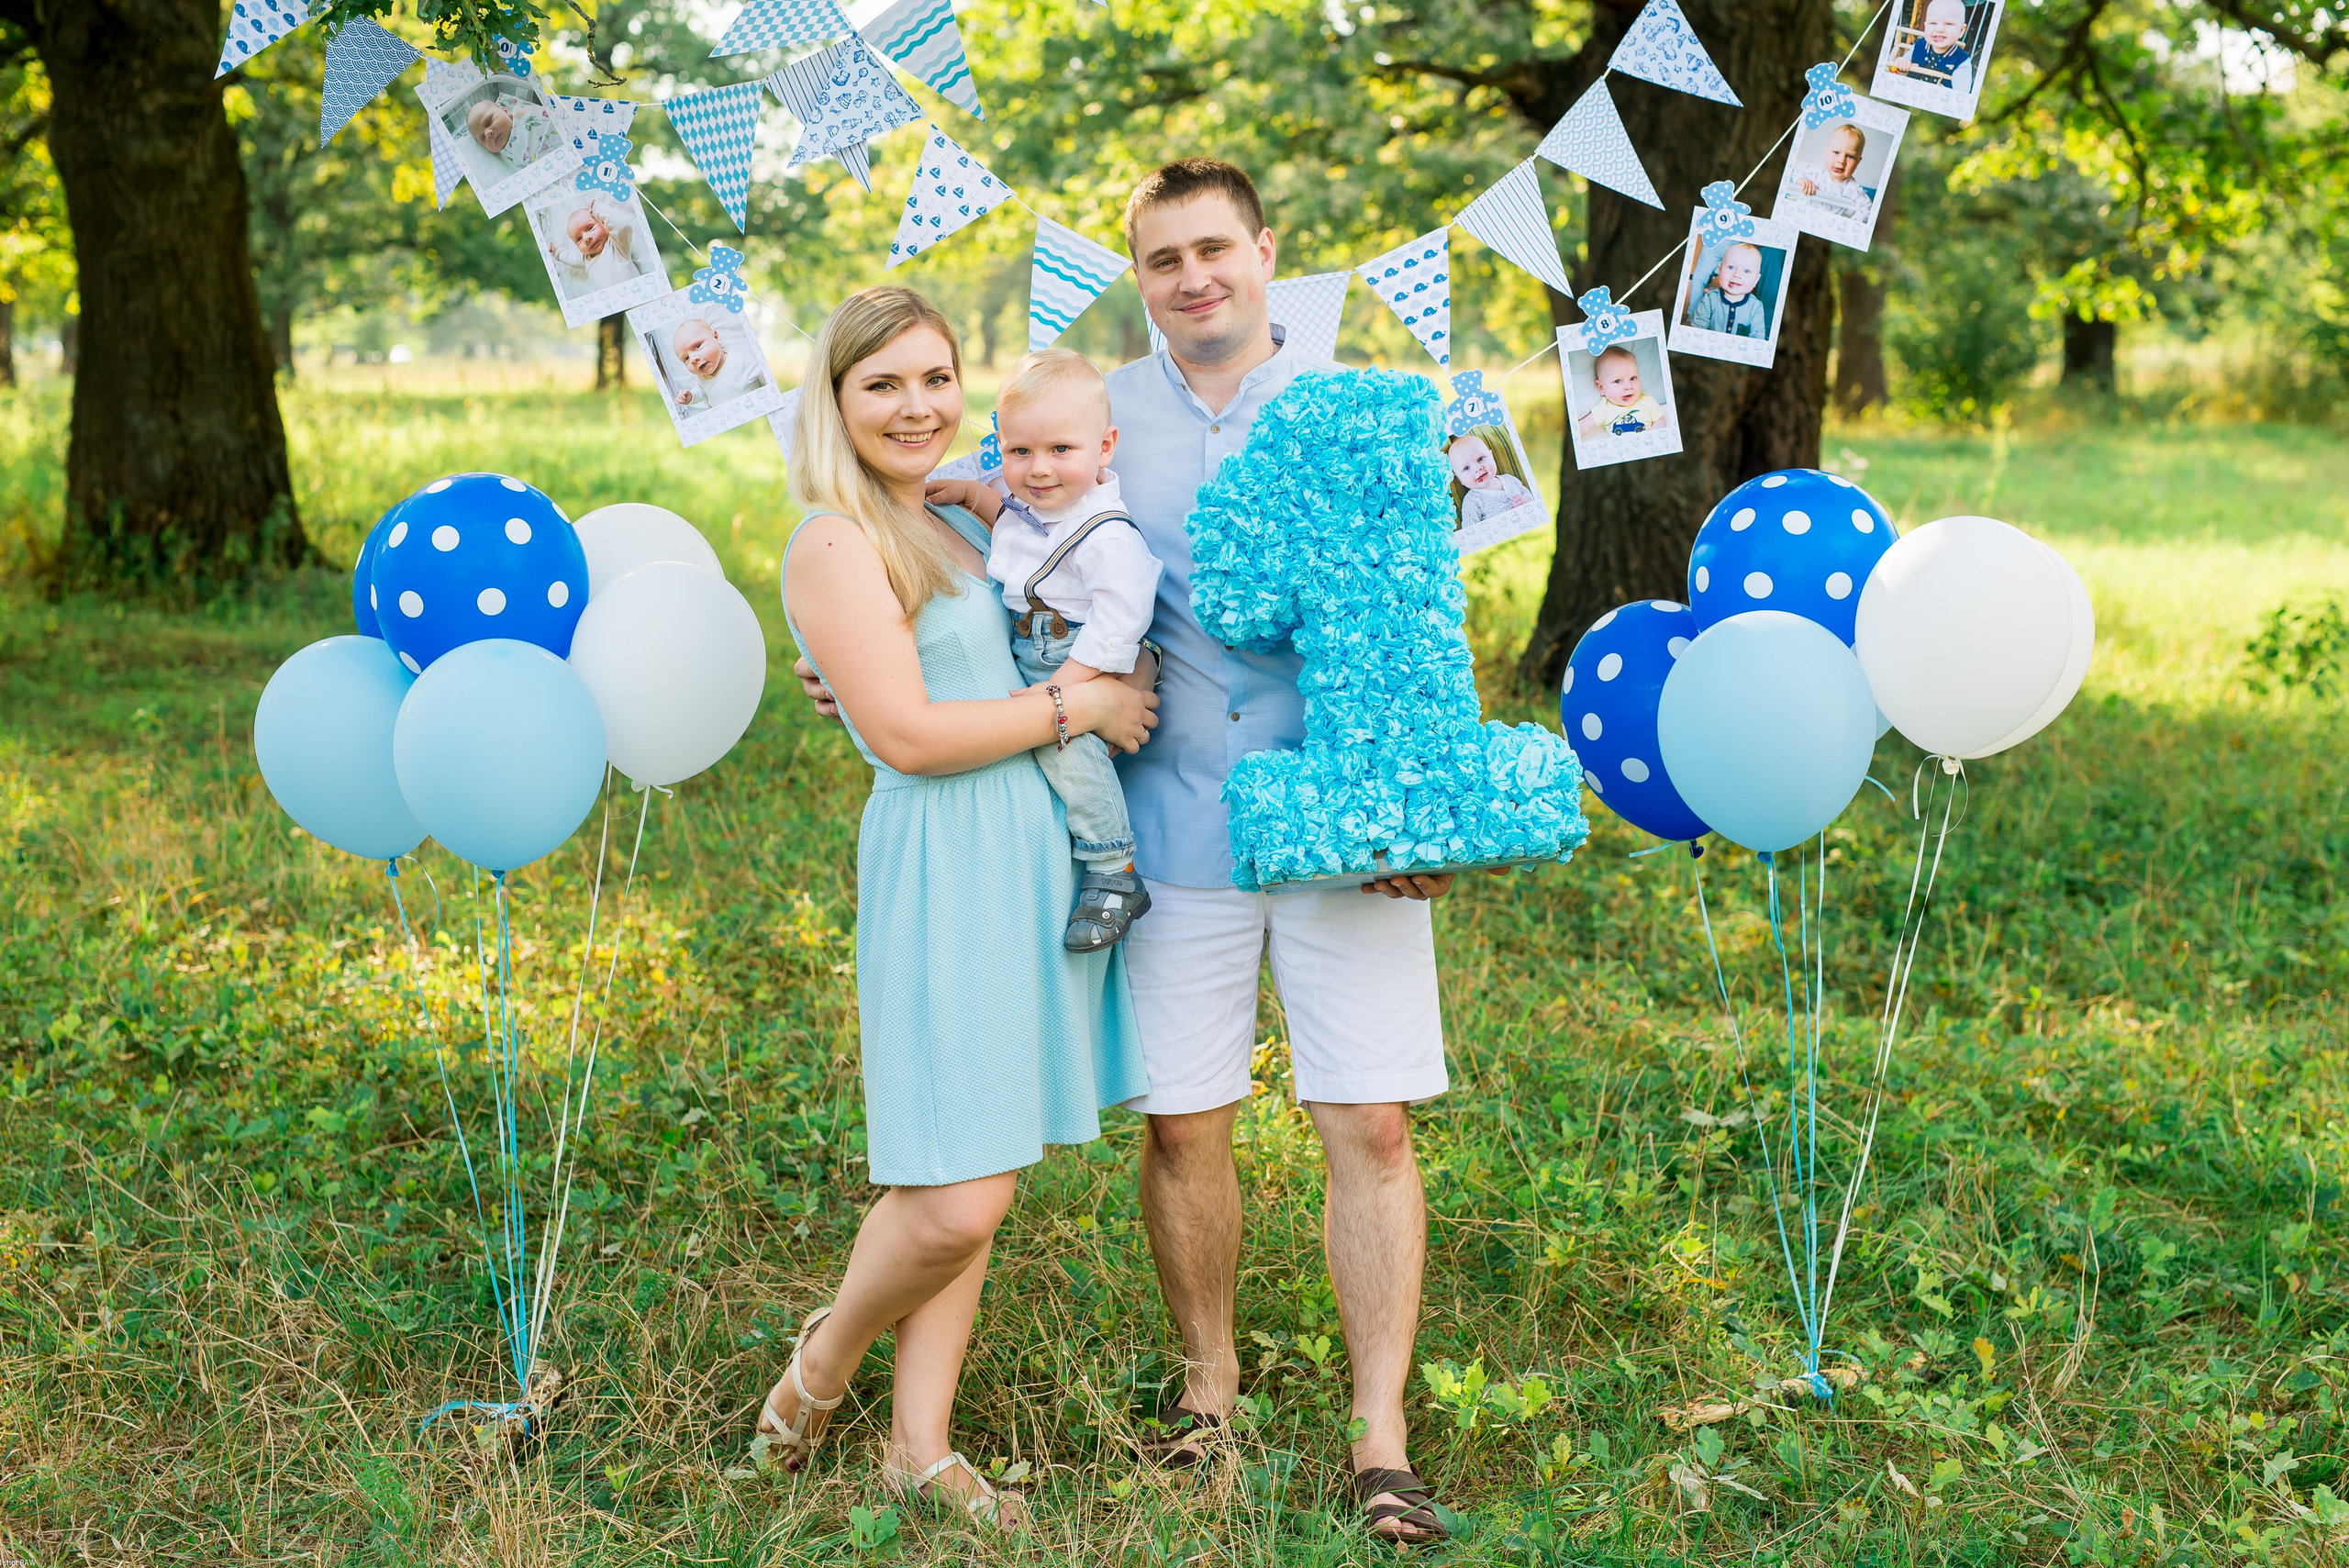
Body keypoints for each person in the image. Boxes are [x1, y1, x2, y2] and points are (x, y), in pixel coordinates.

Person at [807, 158, 1465, 1545]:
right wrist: (840, 672)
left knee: (1373, 1121)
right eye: (1163, 258)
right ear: (1141, 276)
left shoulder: (1352, 411)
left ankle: (1382, 1437)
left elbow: (1416, 613)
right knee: (1183, 1124)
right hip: (1165, 824)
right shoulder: (1092, 419)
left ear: (1267, 253)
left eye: (1214, 248)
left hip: (1343, 817)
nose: (1192, 278)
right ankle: (1207, 1395)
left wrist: (1426, 807)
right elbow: (946, 553)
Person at [760, 285, 1158, 1532]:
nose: (917, 405)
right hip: (945, 857)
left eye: (937, 379)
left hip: (1026, 850)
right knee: (955, 1190)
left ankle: (918, 1446)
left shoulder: (958, 516)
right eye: (884, 384)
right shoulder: (835, 537)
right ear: (835, 401)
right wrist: (1074, 713)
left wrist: (1108, 679)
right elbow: (912, 734)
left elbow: (1048, 628)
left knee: (981, 1153)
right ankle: (818, 1370)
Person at [926, 349, 1165, 952]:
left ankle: (1114, 868)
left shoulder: (1107, 533)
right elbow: (1012, 526)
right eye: (1019, 452)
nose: (1037, 470)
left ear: (1105, 447)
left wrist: (1070, 687)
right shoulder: (1038, 509)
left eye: (1061, 450)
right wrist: (969, 495)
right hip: (1037, 646)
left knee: (1067, 750)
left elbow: (1121, 622)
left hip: (1082, 654)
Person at [1445, 428, 1537, 530]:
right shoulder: (1472, 501)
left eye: (1480, 459)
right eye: (1466, 468)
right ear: (1459, 479)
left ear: (1491, 455)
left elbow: (1527, 493)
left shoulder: (1510, 479)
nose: (1477, 469)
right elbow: (1470, 531)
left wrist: (1526, 500)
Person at [1575, 343, 1672, 440]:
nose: (1628, 386)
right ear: (1601, 388)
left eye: (1633, 378)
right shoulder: (1604, 409)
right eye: (1617, 381)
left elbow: (1660, 419)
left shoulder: (1646, 400)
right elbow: (1582, 427)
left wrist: (1653, 433)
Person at [547, 199, 642, 295]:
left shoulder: (616, 244)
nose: (586, 238)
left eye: (590, 228)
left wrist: (598, 208)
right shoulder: (586, 259)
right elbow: (570, 258)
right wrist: (557, 253)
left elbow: (623, 226)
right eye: (579, 239)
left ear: (604, 223)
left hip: (635, 294)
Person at [669, 317, 767, 410]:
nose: (693, 359)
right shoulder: (702, 378)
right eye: (686, 358)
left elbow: (765, 376)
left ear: (716, 337)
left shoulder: (741, 362)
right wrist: (690, 396)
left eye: (698, 346)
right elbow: (701, 392)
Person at [462, 90, 560, 178]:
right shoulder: (508, 155)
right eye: (483, 138)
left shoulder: (523, 115)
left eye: (489, 121)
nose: (488, 134)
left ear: (505, 111)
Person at [1787, 124, 1876, 219]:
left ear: (1858, 162)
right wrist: (1802, 180)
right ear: (1826, 152)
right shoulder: (1817, 172)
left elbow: (1867, 209)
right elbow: (1797, 170)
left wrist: (1848, 225)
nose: (1841, 161)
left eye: (1850, 156)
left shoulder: (1853, 188)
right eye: (1836, 152)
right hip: (1803, 214)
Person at [1686, 241, 1772, 338]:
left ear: (1756, 280)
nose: (1737, 275)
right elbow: (1697, 329)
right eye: (1731, 267)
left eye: (1746, 271)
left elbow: (1758, 338)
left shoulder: (1756, 307)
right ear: (1720, 270)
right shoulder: (1709, 299)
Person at [1901, 0, 1972, 84]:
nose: (1939, 29)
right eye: (1933, 23)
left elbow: (1960, 94)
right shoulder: (1919, 45)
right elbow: (1904, 63)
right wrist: (1903, 63)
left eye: (1948, 24)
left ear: (1961, 31)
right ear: (1925, 26)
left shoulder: (1962, 61)